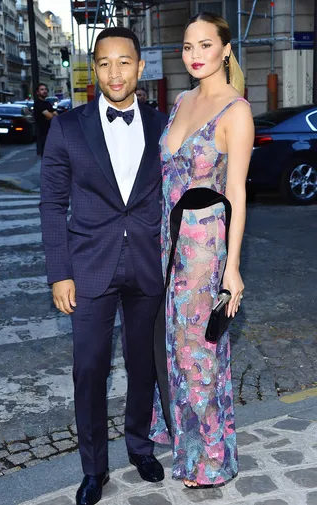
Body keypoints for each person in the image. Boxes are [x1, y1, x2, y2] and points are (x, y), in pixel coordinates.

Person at [39, 27, 168, 505]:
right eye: (105, 63)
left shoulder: (163, 124)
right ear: (95, 69)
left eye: (124, 62)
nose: (115, 72)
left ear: (140, 67)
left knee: (143, 365)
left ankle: (140, 445)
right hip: (88, 268)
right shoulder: (68, 127)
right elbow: (51, 204)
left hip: (148, 267)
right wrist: (59, 272)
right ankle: (94, 470)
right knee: (89, 370)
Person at [150, 12, 254, 489]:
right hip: (167, 243)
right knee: (171, 343)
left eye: (205, 45)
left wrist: (231, 269)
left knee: (199, 351)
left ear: (225, 49)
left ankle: (208, 459)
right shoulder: (183, 100)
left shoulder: (236, 110)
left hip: (203, 247)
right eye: (188, 46)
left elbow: (236, 192)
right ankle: (179, 433)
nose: (195, 54)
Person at [34, 83, 57, 156]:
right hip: (44, 135)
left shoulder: (47, 103)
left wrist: (51, 115)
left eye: (45, 89)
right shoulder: (38, 104)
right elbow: (51, 116)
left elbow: (56, 115)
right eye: (42, 89)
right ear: (38, 92)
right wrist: (51, 115)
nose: (44, 91)